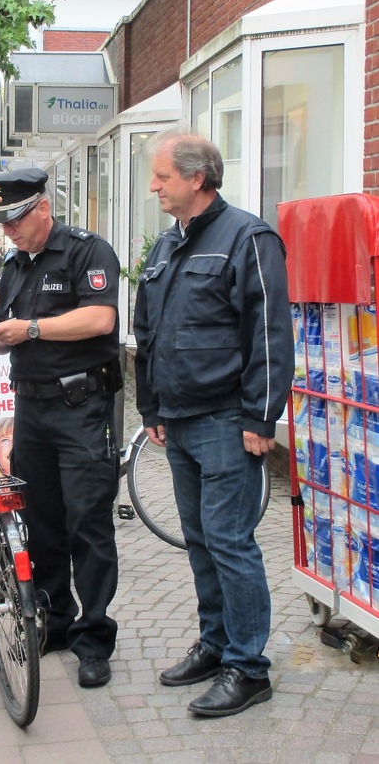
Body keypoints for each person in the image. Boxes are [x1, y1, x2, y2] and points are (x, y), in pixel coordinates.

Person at [133, 129, 294, 717]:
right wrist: (150, 406)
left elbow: (270, 333)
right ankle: (217, 642)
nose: (153, 187)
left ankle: (249, 668)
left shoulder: (247, 237)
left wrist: (260, 414)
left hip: (228, 421)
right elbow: (147, 332)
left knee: (230, 541)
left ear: (197, 179)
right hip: (176, 421)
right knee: (201, 540)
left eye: (162, 177)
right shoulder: (165, 246)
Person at [0, 167, 122, 689]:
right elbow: (16, 328)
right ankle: (56, 623)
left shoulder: (86, 251)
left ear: (42, 209)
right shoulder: (15, 266)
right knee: (43, 523)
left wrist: (31, 328)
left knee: (89, 524)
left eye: (15, 220)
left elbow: (101, 320)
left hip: (81, 409)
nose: (8, 231)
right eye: (2, 223)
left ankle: (94, 637)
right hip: (31, 411)